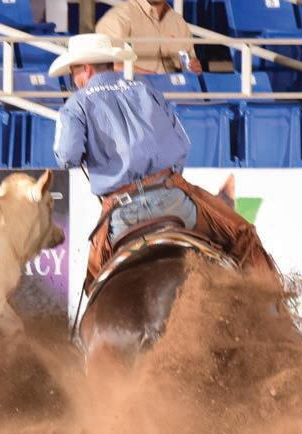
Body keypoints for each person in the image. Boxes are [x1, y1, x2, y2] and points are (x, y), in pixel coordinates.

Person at [49, 33, 276, 290]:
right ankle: (271, 300)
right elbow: (182, 144)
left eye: (73, 73)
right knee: (241, 234)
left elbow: (67, 157)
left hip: (122, 213)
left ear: (85, 70)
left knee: (95, 282)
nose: (74, 80)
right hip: (173, 200)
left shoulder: (75, 106)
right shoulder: (146, 90)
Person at [96, 0, 202, 75]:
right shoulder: (117, 18)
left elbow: (190, 65)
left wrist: (193, 67)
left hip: (175, 93)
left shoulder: (178, 22)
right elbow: (107, 66)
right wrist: (150, 78)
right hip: (134, 94)